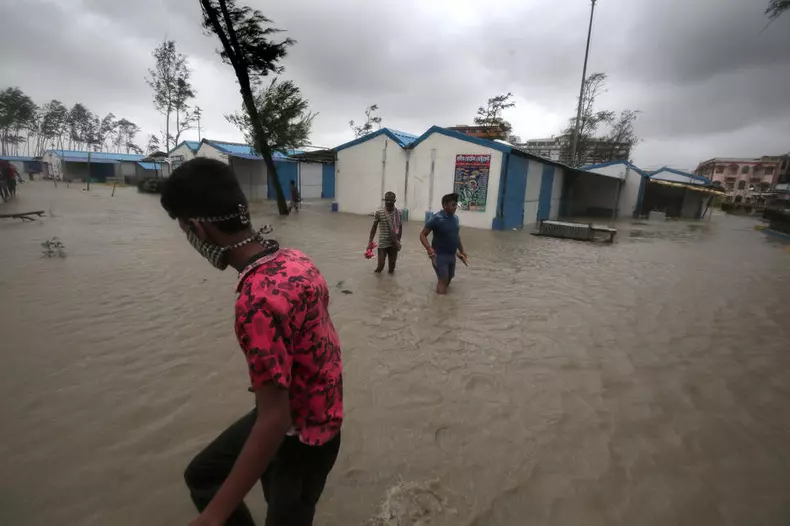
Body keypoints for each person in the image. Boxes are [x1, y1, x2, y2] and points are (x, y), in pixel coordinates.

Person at [159, 158, 343, 526]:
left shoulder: (256, 301)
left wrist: (214, 516)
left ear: (198, 228)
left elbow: (276, 420)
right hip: (322, 411)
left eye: (185, 230)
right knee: (204, 474)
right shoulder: (294, 259)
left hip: (303, 437)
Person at [420, 193, 468, 294]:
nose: (455, 207)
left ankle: (441, 302)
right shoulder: (436, 219)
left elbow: (456, 236)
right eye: (453, 205)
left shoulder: (455, 218)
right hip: (439, 255)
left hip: (451, 255)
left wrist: (462, 251)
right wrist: (429, 248)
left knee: (449, 278)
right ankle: (440, 307)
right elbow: (422, 235)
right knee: (443, 279)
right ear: (445, 205)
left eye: (456, 205)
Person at [368, 191, 403, 274]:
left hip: (393, 244)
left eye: (391, 200)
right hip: (383, 244)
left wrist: (398, 241)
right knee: (380, 266)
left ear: (394, 201)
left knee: (392, 269)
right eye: (387, 200)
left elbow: (400, 227)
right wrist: (370, 243)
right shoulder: (379, 213)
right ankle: (375, 280)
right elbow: (374, 228)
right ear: (384, 200)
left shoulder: (398, 214)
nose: (388, 202)